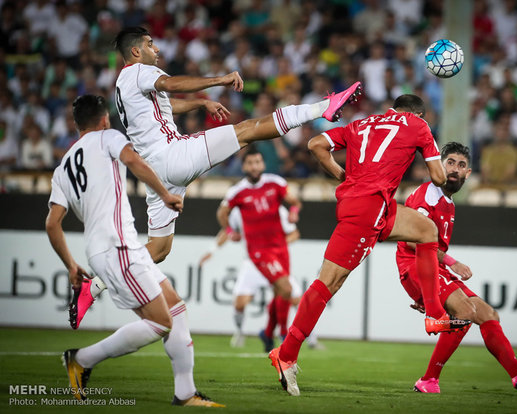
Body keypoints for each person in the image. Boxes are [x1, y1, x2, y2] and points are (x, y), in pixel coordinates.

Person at [268, 94, 470, 396]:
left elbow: (315, 145)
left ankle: (434, 313)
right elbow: (440, 178)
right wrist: (424, 149)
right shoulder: (418, 125)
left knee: (426, 230)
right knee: (329, 282)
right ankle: (285, 354)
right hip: (369, 209)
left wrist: (342, 176)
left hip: (376, 204)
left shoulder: (361, 123)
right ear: (419, 114)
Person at [113, 26, 361, 264]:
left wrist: (200, 104)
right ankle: (321, 108)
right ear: (135, 51)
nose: (156, 49)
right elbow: (170, 84)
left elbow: (165, 107)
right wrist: (220, 80)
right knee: (246, 131)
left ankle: (96, 284)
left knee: (157, 250)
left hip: (155, 173)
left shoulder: (123, 83)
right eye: (149, 44)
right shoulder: (139, 71)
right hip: (173, 153)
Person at [46, 95, 223, 407]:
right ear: (103, 120)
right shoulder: (108, 137)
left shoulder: (63, 168)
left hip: (109, 249)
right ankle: (81, 359)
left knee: (176, 309)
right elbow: (133, 160)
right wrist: (165, 194)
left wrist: (71, 266)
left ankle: (186, 393)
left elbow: (52, 224)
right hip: (118, 248)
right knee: (160, 322)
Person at [397, 142, 517, 393]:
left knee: (487, 314)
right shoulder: (428, 194)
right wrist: (452, 262)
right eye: (450, 162)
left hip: (431, 267)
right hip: (415, 266)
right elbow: (409, 239)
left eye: (461, 166)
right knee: (466, 311)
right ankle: (428, 379)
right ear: (439, 165)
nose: (455, 169)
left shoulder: (447, 202)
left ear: (468, 174)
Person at [216, 147, 302, 352]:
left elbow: (294, 202)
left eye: (257, 162)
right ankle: (283, 335)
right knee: (287, 289)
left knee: (282, 293)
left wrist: (294, 213)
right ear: (244, 166)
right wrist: (229, 230)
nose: (254, 167)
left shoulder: (276, 182)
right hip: (259, 252)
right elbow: (222, 212)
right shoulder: (237, 191)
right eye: (250, 163)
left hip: (280, 247)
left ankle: (267, 332)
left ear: (262, 164)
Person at [200, 205, 322, 350]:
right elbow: (228, 231)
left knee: (296, 299)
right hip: (253, 263)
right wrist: (212, 251)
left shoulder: (278, 210)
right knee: (239, 304)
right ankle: (240, 332)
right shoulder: (241, 211)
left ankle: (311, 338)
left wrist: (277, 245)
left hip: (274, 261)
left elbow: (294, 233)